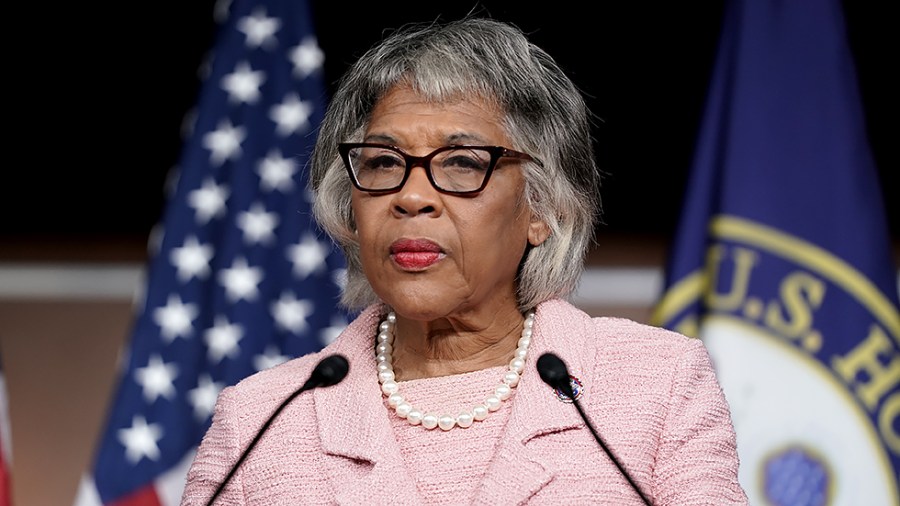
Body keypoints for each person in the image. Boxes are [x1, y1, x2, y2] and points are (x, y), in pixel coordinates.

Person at [179, 16, 748, 505]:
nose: (411, 196)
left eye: (461, 163)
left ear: (541, 206)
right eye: (381, 162)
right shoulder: (262, 421)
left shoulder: (656, 383)